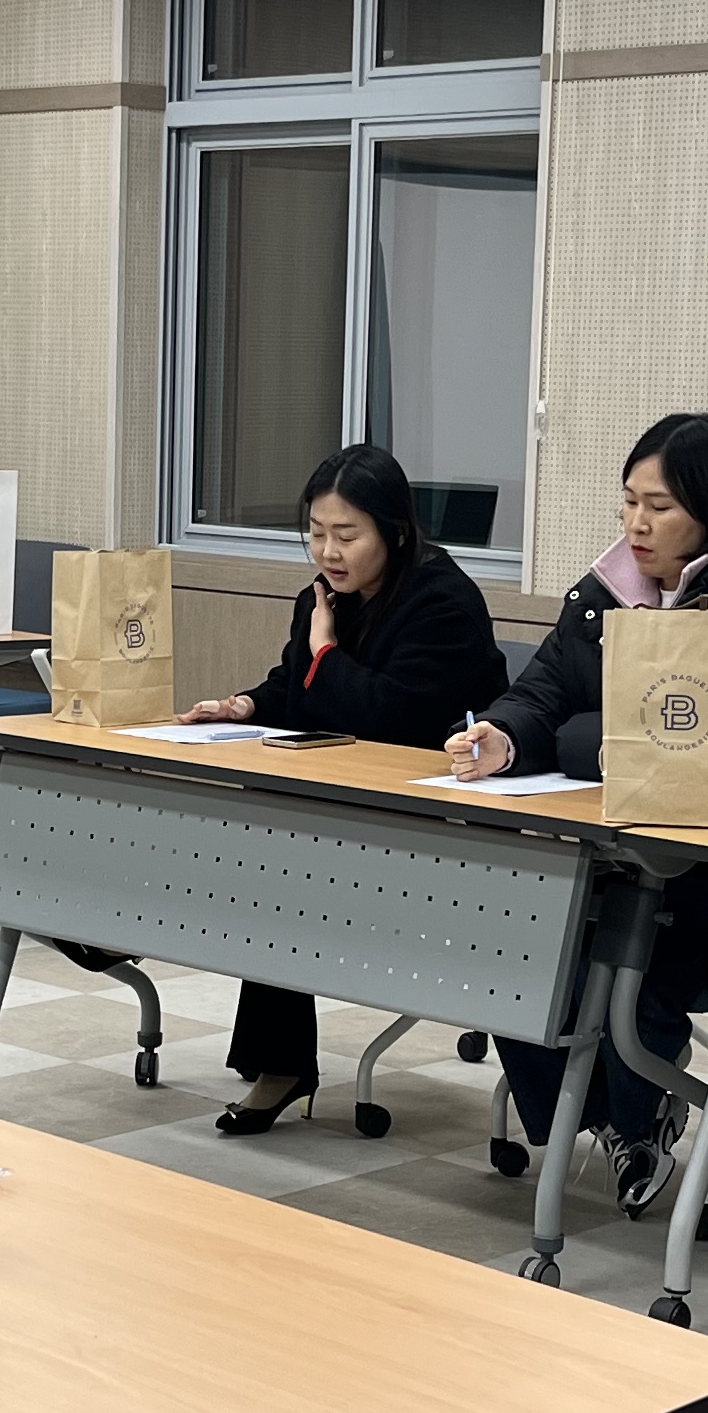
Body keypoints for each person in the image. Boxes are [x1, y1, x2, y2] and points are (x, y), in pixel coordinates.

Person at [445, 414, 708, 1205]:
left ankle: (624, 1120)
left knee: (629, 935)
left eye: (658, 507)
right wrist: (504, 736)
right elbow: (546, 691)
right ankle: (614, 1123)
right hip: (619, 848)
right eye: (629, 501)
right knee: (506, 934)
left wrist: (580, 738)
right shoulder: (607, 592)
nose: (636, 523)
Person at [176, 445, 513, 1133]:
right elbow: (298, 688)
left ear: (393, 530)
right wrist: (243, 705)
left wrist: (325, 653)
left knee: (275, 854)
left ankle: (280, 1064)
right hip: (346, 809)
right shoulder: (325, 599)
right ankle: (280, 1062)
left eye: (346, 535)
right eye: (317, 532)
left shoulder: (443, 603)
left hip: (439, 825)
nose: (328, 551)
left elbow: (387, 720)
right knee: (263, 840)